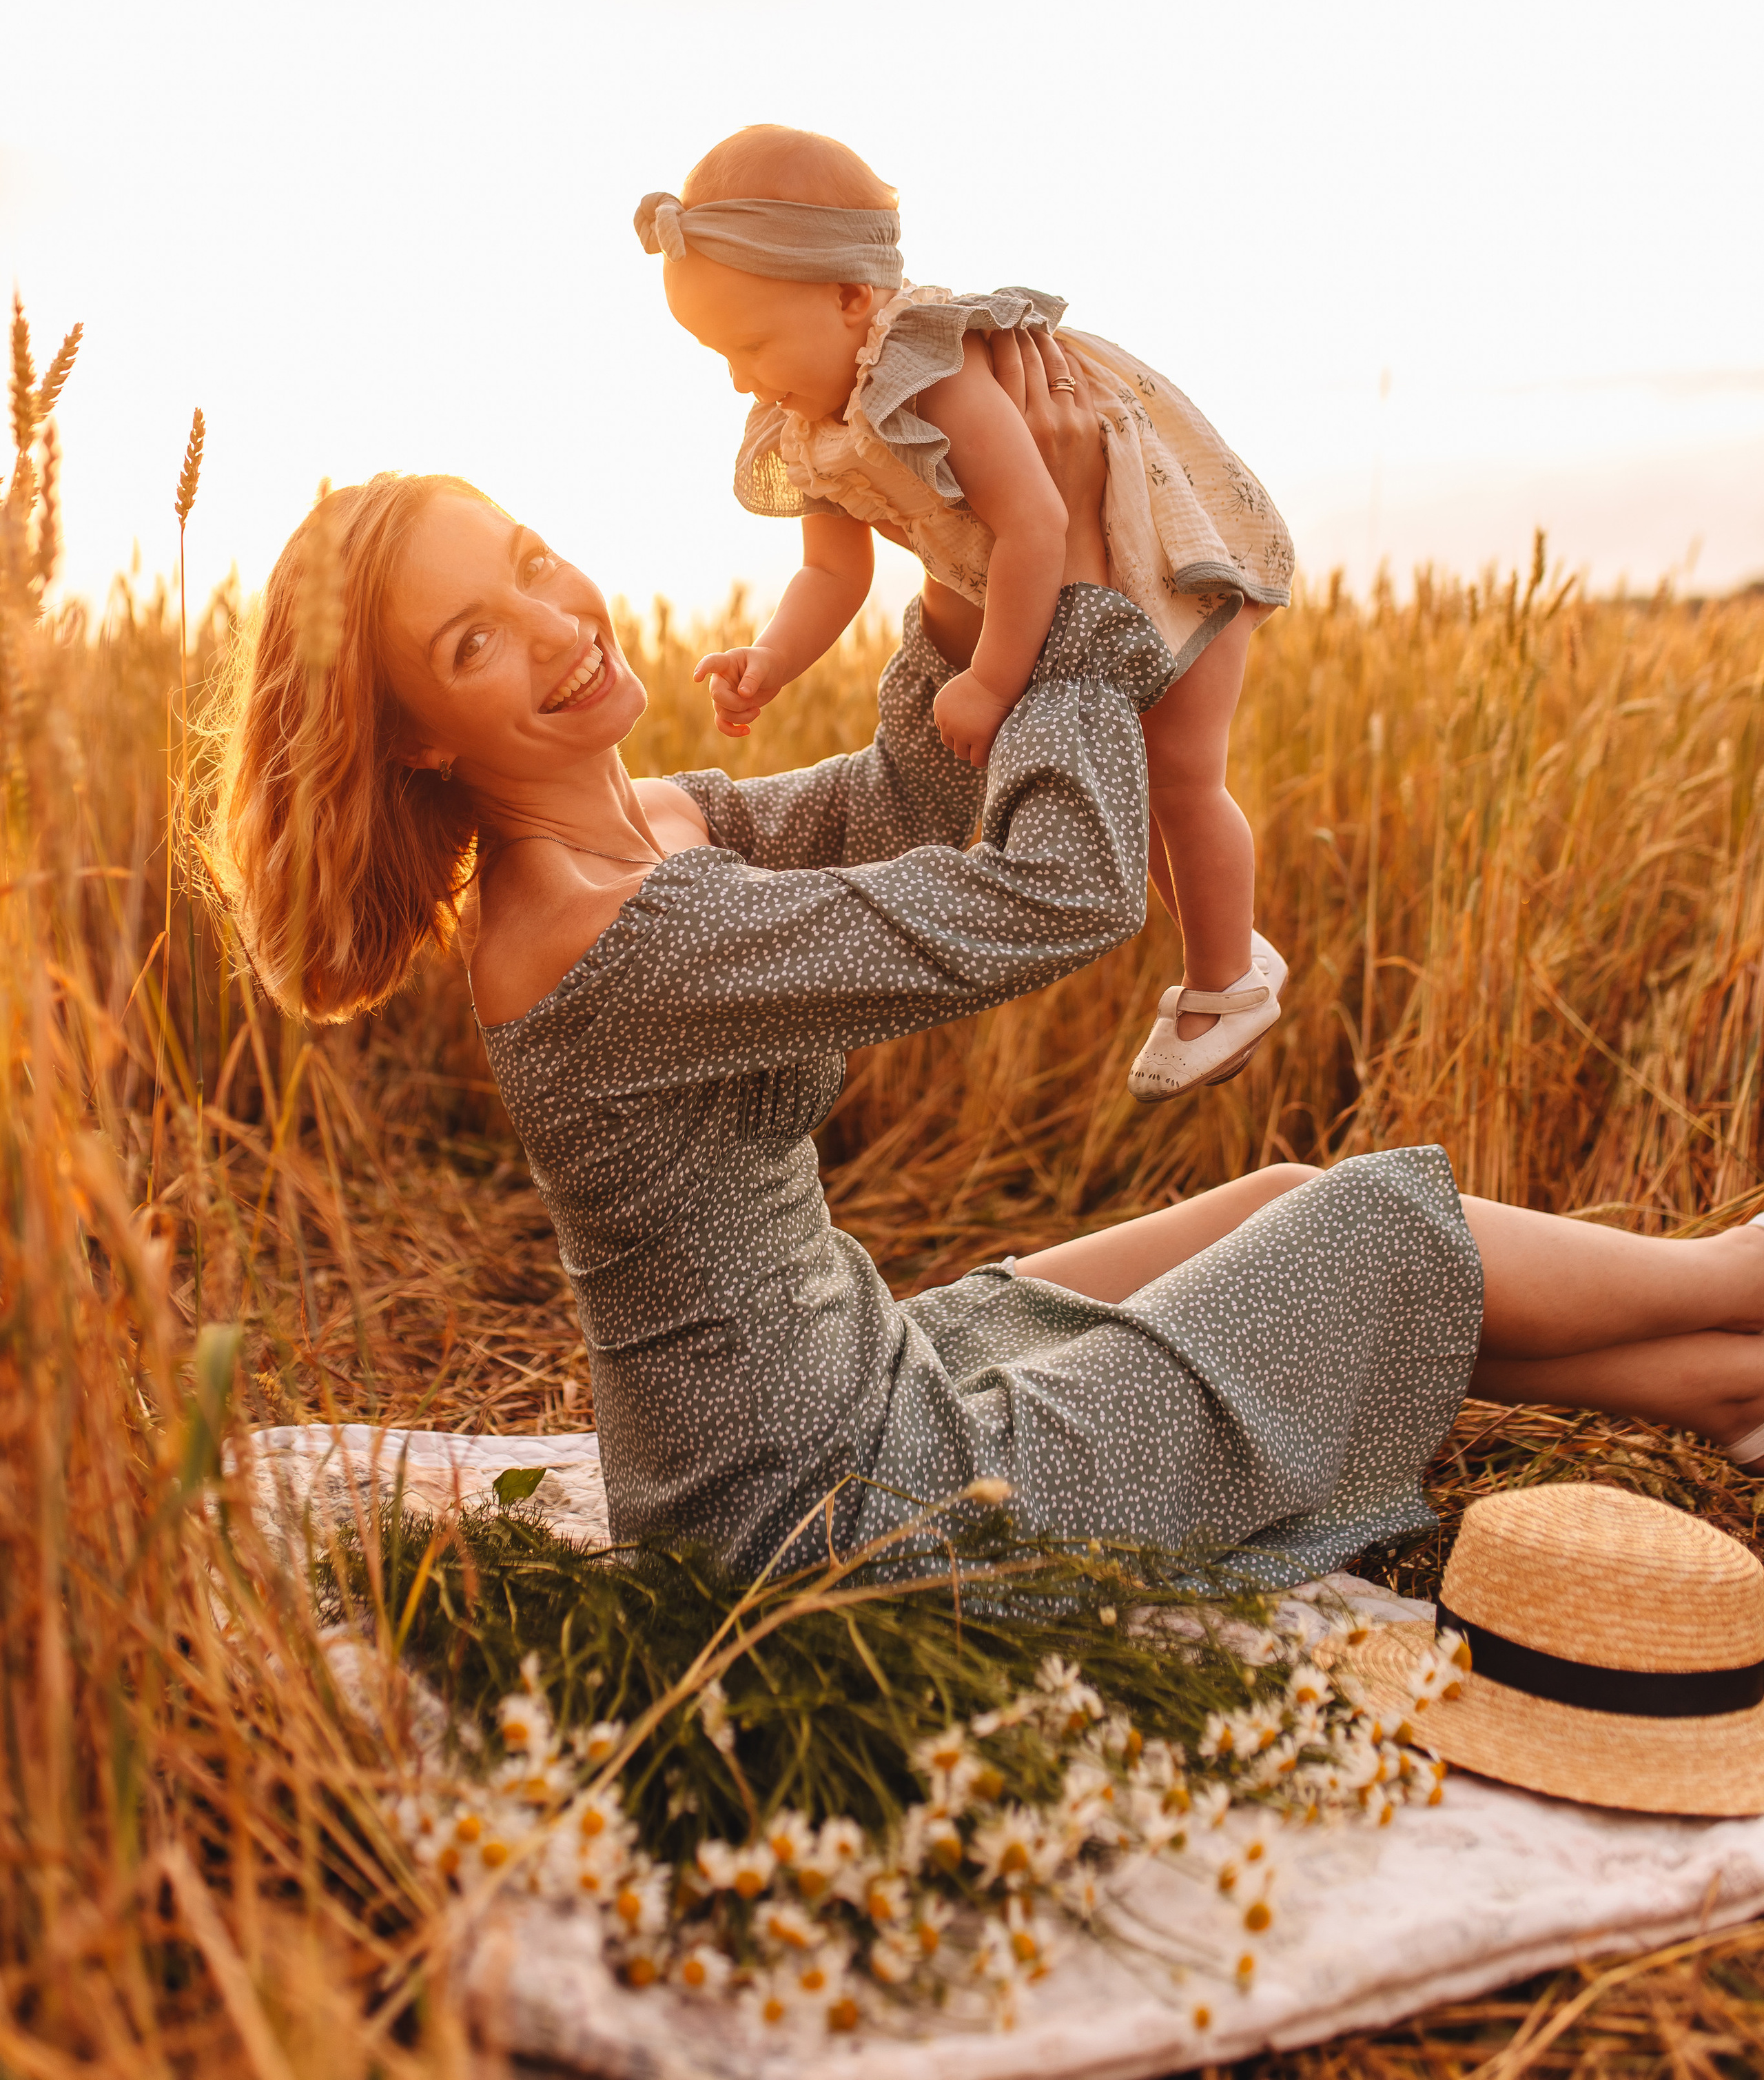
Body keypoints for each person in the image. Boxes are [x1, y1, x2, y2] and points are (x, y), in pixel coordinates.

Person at [211, 350, 1764, 1591]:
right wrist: (1076, 594)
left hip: (853, 1377)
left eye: (536, 563)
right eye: (476, 640)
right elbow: (1057, 893)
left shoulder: (666, 827)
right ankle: (1733, 1281)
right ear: (418, 735)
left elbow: (895, 796)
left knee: (1281, 1201)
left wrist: (969, 538)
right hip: (840, 1532)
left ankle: (1711, 1391)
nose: (558, 623)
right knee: (1363, 1228)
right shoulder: (599, 938)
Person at [637, 121, 1296, 1101]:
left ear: (854, 298)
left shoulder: (930, 368)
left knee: (1182, 773)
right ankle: (1226, 932)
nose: (739, 377)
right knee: (1144, 777)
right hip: (1052, 582)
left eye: (751, 343)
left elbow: (1036, 521)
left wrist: (991, 681)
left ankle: (1226, 982)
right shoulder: (805, 415)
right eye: (717, 354)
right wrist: (771, 658)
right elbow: (833, 571)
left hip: (1156, 551)